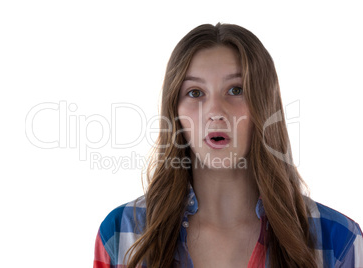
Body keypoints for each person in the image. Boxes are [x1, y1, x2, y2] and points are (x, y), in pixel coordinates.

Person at [93, 23, 363, 268]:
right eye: (195, 93)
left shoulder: (339, 240)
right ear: (174, 111)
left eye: (236, 90)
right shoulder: (120, 233)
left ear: (265, 107)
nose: (215, 111)